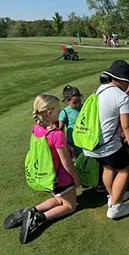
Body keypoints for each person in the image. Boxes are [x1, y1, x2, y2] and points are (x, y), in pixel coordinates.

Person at [4, 94, 80, 244]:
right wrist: (76, 179)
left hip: (45, 175)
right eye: (58, 109)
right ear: (50, 112)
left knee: (58, 198)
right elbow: (66, 163)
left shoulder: (36, 128)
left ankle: (31, 210)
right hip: (60, 177)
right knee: (70, 206)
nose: (61, 111)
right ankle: (39, 217)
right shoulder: (56, 134)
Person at [83, 60, 129, 219]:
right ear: (119, 79)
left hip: (91, 144)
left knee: (109, 168)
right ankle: (115, 208)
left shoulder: (98, 90)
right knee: (126, 168)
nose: (128, 85)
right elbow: (127, 126)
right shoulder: (122, 97)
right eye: (127, 81)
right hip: (106, 144)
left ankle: (112, 197)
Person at [59, 85, 83, 157]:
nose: (78, 104)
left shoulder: (84, 107)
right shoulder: (65, 112)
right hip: (73, 144)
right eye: (74, 102)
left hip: (85, 140)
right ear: (67, 101)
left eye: (79, 101)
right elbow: (60, 130)